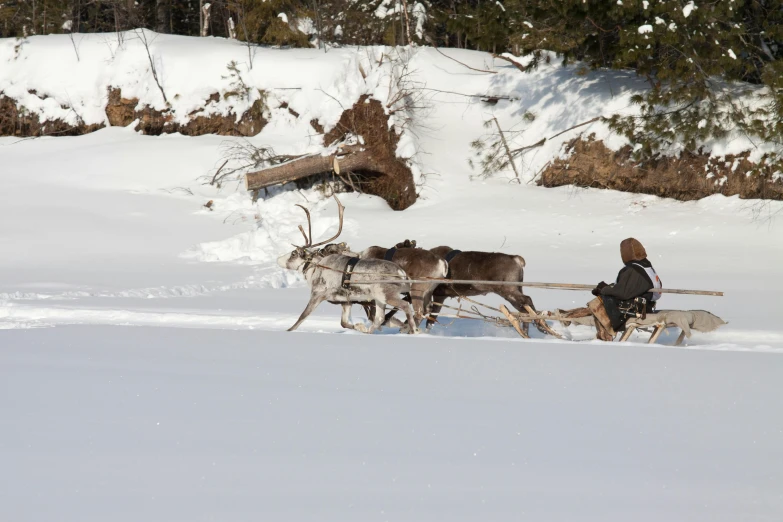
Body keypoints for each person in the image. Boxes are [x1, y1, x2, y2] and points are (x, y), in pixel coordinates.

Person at [589, 238, 662, 340]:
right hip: (646, 305)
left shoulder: (633, 270)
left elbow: (623, 293)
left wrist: (604, 290)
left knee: (597, 303)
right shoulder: (646, 266)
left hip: (634, 309)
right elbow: (629, 288)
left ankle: (605, 336)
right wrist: (608, 287)